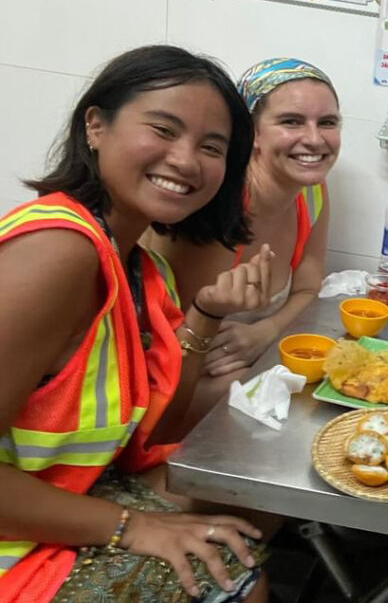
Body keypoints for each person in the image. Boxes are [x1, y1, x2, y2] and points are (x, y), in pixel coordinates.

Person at [0, 45, 275, 603]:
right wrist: (128, 525)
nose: (186, 160)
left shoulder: (141, 266)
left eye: (211, 147)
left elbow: (152, 431)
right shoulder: (59, 251)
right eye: (164, 129)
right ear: (95, 126)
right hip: (15, 538)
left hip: (62, 488)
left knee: (249, 510)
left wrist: (206, 313)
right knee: (229, 576)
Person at [148, 57, 340, 423]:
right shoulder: (214, 203)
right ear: (250, 133)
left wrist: (266, 330)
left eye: (327, 122)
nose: (315, 139)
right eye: (291, 121)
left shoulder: (311, 194)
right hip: (173, 388)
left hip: (249, 366)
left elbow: (307, 288)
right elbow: (171, 351)